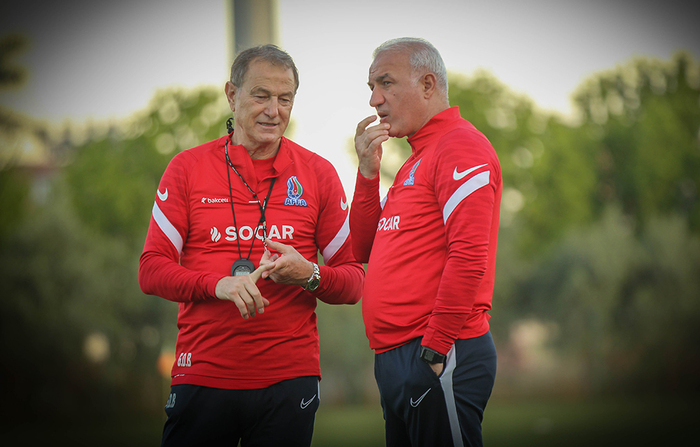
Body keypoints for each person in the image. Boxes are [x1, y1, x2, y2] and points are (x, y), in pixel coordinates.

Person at [139, 44, 364, 447]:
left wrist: (308, 274)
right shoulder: (187, 168)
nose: (273, 111)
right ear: (232, 94)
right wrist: (217, 285)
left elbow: (353, 281)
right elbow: (151, 269)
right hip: (203, 372)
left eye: (285, 99)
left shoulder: (319, 174)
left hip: (289, 379)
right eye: (261, 96)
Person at [350, 38, 502, 447]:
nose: (374, 99)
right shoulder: (416, 159)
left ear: (428, 85)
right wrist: (367, 173)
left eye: (386, 83)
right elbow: (362, 250)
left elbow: (469, 257)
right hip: (398, 357)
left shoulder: (460, 146)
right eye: (371, 87)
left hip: (437, 352)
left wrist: (435, 351)